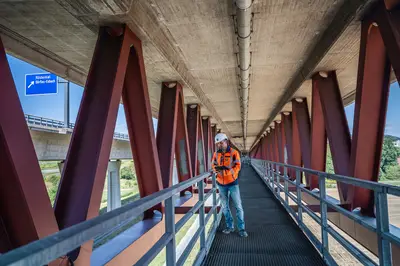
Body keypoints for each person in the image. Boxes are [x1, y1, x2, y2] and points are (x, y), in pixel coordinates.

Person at [211, 133, 248, 237]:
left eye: (221, 143)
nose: (219, 145)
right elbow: (213, 165)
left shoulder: (234, 153)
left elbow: (238, 167)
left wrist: (225, 172)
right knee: (225, 207)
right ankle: (229, 226)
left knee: (238, 206)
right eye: (217, 144)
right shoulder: (216, 154)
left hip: (232, 183)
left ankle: (241, 229)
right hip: (221, 184)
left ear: (226, 141)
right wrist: (218, 171)